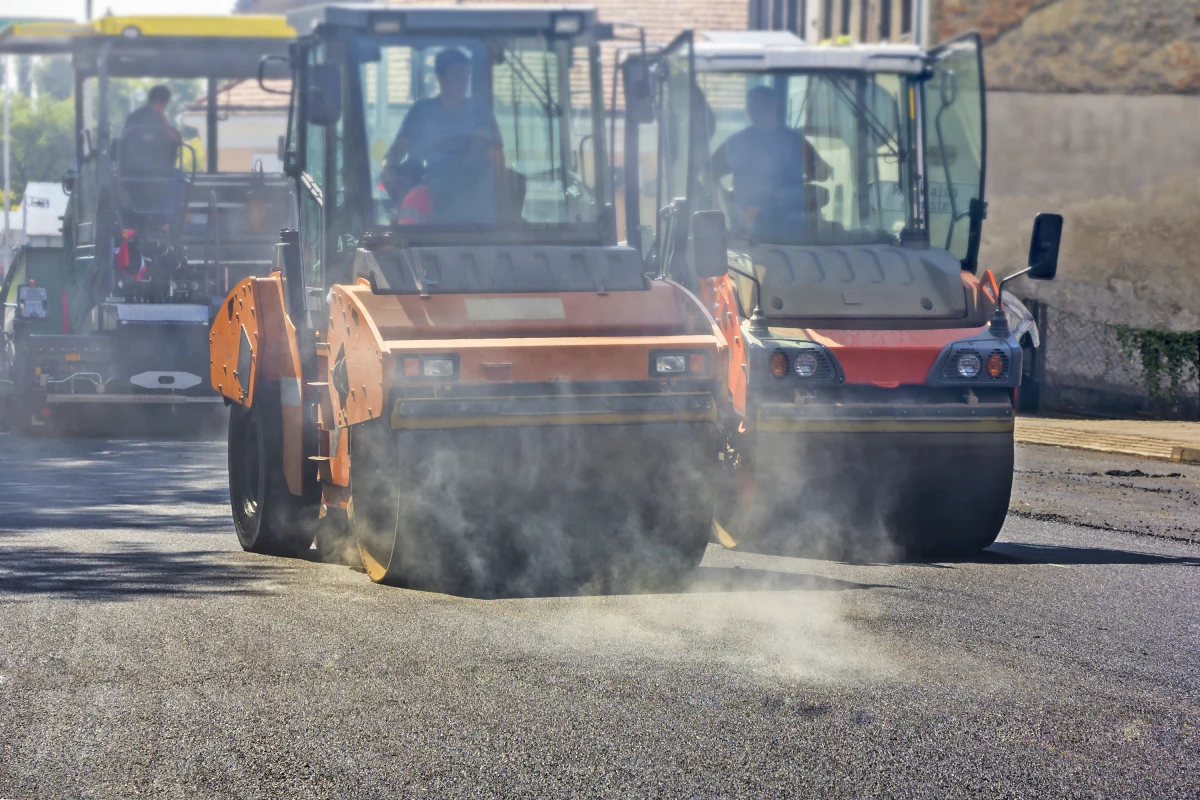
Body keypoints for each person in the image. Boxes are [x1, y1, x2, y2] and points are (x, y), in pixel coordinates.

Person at [381, 48, 503, 225]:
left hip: (475, 199)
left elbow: (492, 156)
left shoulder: (479, 112)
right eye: (457, 75)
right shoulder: (421, 112)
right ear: (441, 78)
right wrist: (389, 174)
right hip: (431, 197)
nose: (463, 81)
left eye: (466, 75)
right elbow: (395, 153)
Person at [710, 85, 830, 231]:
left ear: (775, 107)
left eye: (763, 106)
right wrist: (726, 206)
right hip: (749, 228)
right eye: (755, 107)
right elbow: (707, 172)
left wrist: (820, 170)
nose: (759, 111)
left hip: (795, 227)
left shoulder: (795, 141)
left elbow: (822, 173)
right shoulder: (736, 143)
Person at [118, 85, 183, 224]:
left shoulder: (133, 117)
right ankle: (166, 221)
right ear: (165, 101)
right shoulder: (158, 118)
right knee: (181, 180)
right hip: (156, 172)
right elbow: (173, 137)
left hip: (128, 173)